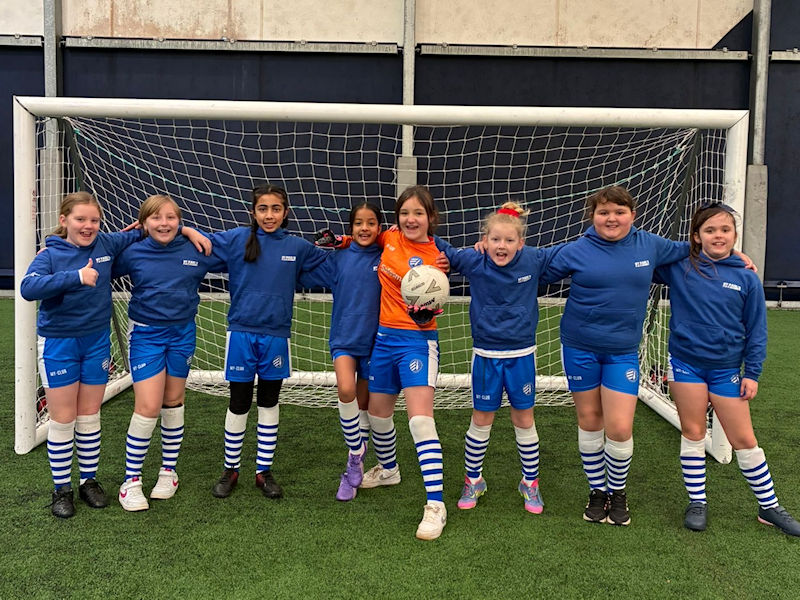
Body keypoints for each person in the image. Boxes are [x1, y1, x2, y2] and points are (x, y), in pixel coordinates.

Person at [19, 191, 209, 518]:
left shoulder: (107, 243)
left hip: (96, 341)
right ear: (64, 220)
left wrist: (187, 229)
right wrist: (76, 276)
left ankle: (88, 481)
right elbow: (27, 288)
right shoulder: (50, 254)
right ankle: (61, 489)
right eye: (80, 219)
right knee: (63, 419)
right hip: (59, 343)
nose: (88, 226)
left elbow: (146, 228)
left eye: (94, 220)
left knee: (90, 415)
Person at [543, 185, 696, 526]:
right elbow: (533, 267)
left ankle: (618, 491)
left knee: (620, 427)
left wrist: (737, 259)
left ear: (632, 214)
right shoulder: (577, 249)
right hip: (579, 348)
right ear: (592, 216)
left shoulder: (651, 245)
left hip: (622, 353)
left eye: (619, 212)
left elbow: (695, 249)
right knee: (590, 420)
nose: (611, 218)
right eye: (603, 212)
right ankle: (597, 492)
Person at [654, 202, 800, 536]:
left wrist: (752, 373)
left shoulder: (746, 277)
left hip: (727, 370)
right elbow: (641, 257)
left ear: (735, 234)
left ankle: (769, 506)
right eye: (709, 230)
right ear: (696, 236)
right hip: (686, 365)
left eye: (725, 230)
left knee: (744, 439)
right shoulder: (679, 267)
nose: (718, 236)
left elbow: (757, 330)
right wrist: (690, 249)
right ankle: (697, 502)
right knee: (693, 432)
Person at [434, 202, 563, 515]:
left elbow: (572, 255)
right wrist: (405, 231)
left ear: (521, 243)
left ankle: (530, 482)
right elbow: (441, 248)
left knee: (525, 419)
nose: (501, 246)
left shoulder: (534, 259)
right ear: (484, 240)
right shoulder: (474, 259)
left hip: (522, 356)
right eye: (495, 239)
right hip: (486, 356)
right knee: (481, 419)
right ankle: (473, 480)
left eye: (508, 240)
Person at [208, 184, 328, 501]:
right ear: (253, 212)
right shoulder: (236, 239)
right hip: (241, 334)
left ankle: (263, 471)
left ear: (285, 213)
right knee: (239, 401)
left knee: (269, 402)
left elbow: (336, 266)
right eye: (263, 208)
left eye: (276, 209)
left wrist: (347, 244)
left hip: (276, 336)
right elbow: (199, 245)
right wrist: (180, 230)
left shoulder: (297, 247)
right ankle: (231, 469)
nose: (269, 215)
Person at [112, 195, 226, 511]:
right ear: (143, 223)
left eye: (171, 218)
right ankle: (131, 481)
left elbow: (241, 253)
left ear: (180, 220)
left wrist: (189, 232)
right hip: (146, 335)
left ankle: (168, 472)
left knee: (173, 401)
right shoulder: (133, 251)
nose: (164, 223)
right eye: (156, 218)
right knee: (148, 407)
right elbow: (98, 257)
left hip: (183, 334)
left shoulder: (196, 248)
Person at [362, 185, 448, 540]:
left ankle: (436, 505)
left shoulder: (438, 256)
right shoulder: (389, 238)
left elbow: (464, 266)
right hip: (384, 340)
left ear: (431, 217)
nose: (411, 220)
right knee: (377, 414)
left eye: (418, 213)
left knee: (420, 421)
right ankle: (389, 469)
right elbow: (362, 234)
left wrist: (426, 311)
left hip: (417, 343)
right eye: (405, 213)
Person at [302, 203, 383, 502]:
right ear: (350, 228)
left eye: (371, 222)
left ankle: (354, 467)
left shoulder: (386, 257)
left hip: (377, 342)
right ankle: (356, 453)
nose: (364, 228)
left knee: (364, 405)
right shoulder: (338, 258)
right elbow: (303, 268)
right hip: (345, 339)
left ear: (380, 227)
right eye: (358, 223)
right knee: (345, 390)